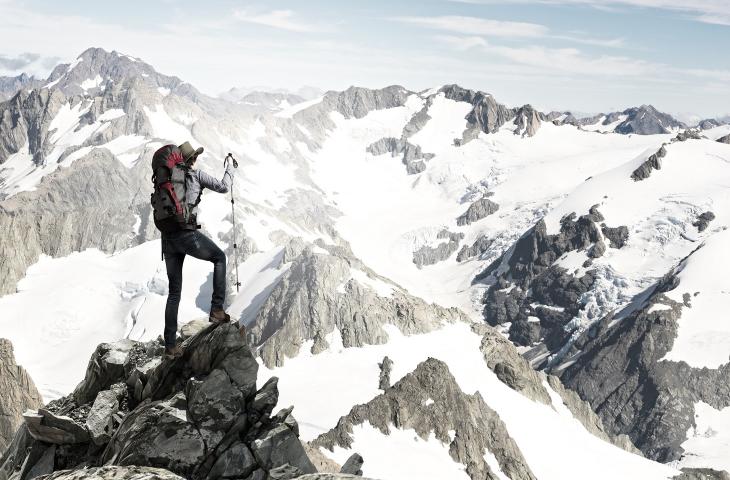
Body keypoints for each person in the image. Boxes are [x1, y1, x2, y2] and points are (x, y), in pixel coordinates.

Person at [162, 141, 235, 358]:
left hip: (168, 238)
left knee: (174, 292)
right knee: (220, 258)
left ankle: (170, 346)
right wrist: (230, 167)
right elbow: (223, 187)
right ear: (193, 159)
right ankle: (217, 310)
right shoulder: (196, 175)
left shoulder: (168, 179)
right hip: (186, 234)